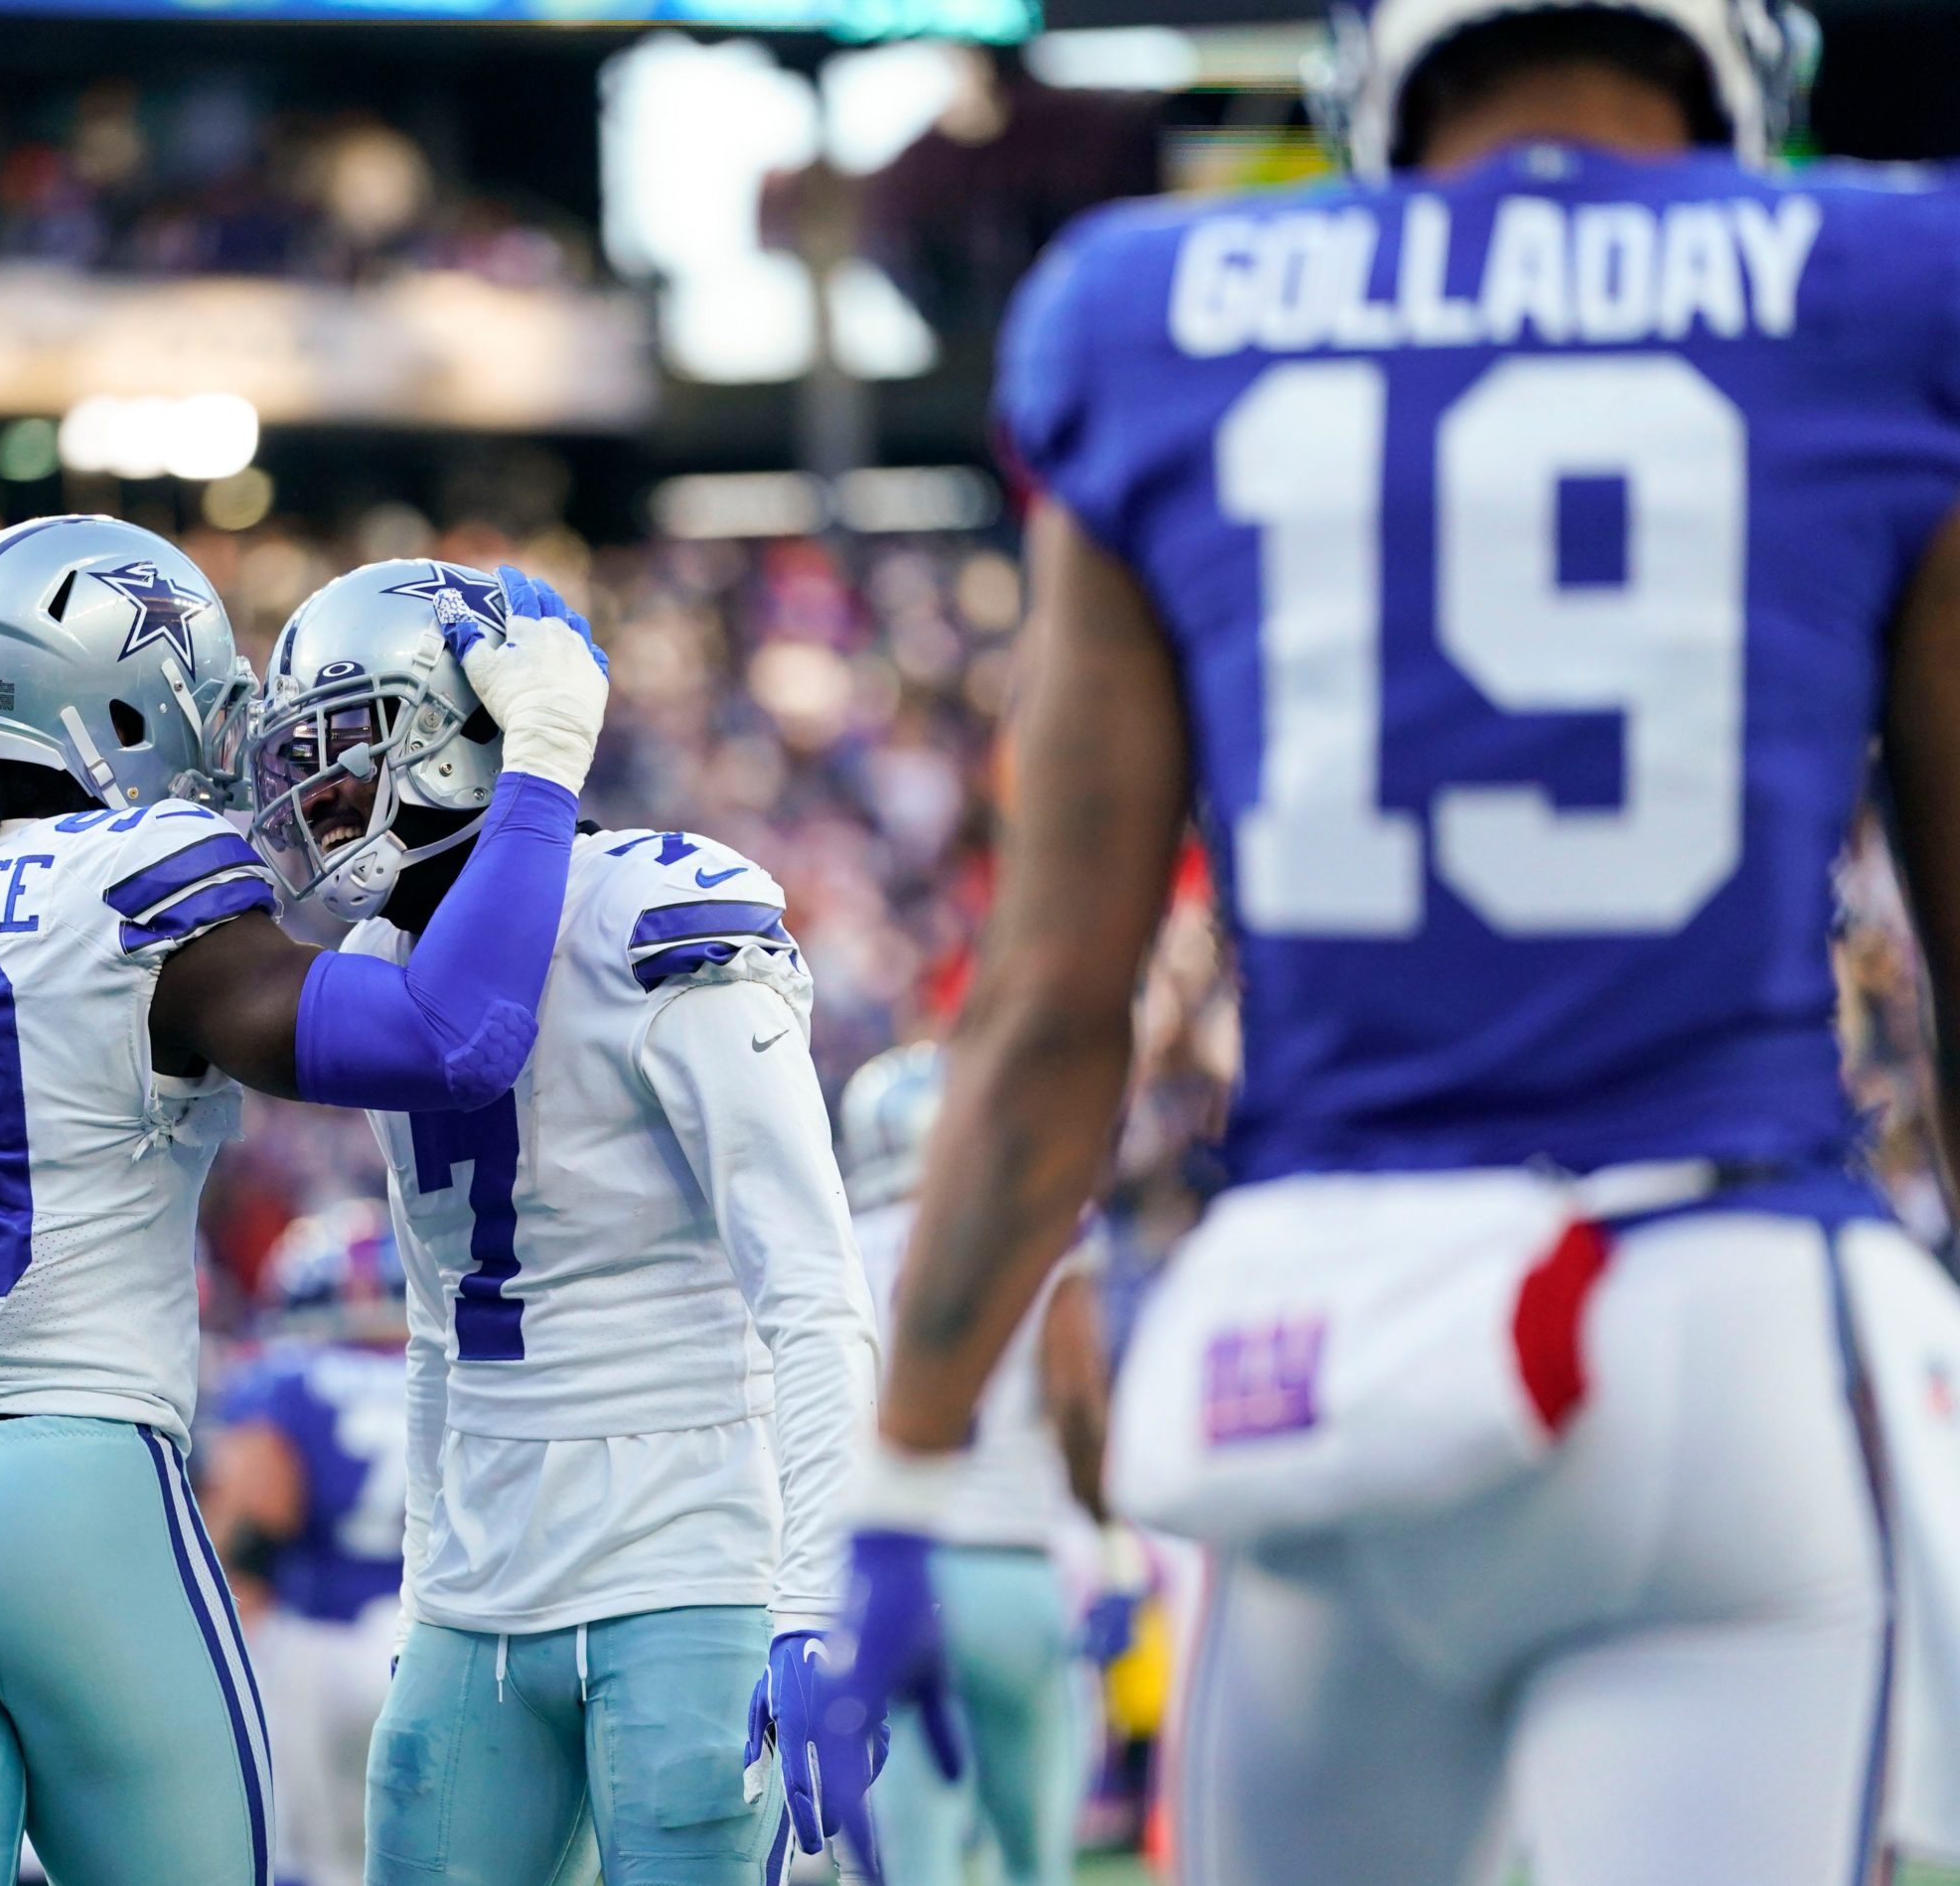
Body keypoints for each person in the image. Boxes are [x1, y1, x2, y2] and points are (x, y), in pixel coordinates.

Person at [813, 4, 1960, 1884]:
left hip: (1314, 1346)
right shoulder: (1888, 284)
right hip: (1725, 1315)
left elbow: (1045, 1004)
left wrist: (913, 1466)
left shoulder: (1152, 309)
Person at [0, 515, 607, 1886]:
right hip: (68, 1494)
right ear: (115, 695)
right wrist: (545, 762)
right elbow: (456, 1037)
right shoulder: (134, 882)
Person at [248, 559, 882, 1886]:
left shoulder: (653, 918)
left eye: (350, 745)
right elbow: (433, 1324)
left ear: (459, 734)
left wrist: (819, 1592)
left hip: (681, 1559)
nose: (319, 793)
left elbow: (813, 1286)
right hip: (475, 1590)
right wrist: (431, 1575)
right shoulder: (375, 969)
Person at [837, 1043, 1111, 1886]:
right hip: (1005, 1560)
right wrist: (1101, 1512)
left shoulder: (838, 1246)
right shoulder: (1031, 1226)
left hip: (890, 1562)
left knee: (911, 1864)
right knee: (1034, 1860)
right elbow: (1076, 1399)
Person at [202, 1201, 410, 1886]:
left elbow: (254, 1524)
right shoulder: (447, 1373)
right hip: (430, 1644)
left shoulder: (285, 1378)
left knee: (313, 1866)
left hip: (318, 1640)